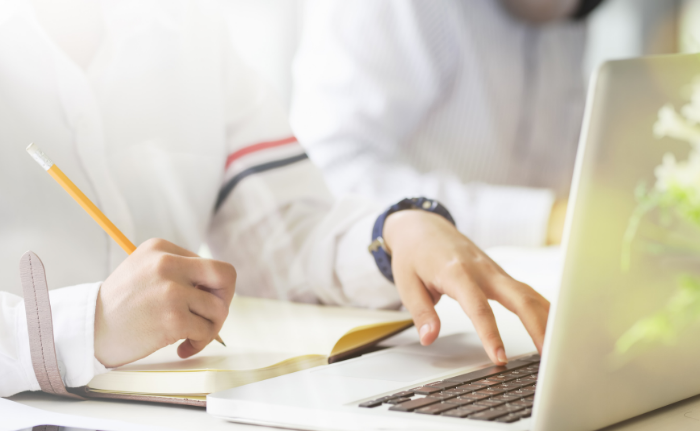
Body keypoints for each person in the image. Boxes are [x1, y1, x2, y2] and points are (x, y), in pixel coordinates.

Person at [0, 0, 549, 399]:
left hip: (190, 426)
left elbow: (285, 235)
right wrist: (84, 325)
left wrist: (392, 235)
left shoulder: (190, 29)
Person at [291, 0, 603, 249]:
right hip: (404, 305)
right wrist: (542, 221)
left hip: (540, 290)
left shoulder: (570, 18)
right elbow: (329, 177)